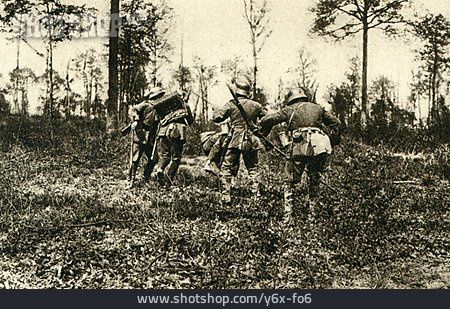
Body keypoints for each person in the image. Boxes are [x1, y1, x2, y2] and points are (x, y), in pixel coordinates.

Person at [260, 88, 340, 224]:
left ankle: (288, 217)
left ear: (292, 100)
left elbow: (270, 119)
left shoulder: (290, 109)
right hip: (318, 147)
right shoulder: (318, 108)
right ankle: (312, 216)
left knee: (289, 181)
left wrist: (260, 124)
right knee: (314, 179)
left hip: (299, 147)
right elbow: (336, 123)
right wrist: (332, 140)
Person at [212, 77, 267, 204]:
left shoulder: (231, 104)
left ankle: (226, 197)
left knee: (226, 168)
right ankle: (256, 197)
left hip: (235, 140)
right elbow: (268, 118)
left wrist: (216, 110)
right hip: (250, 140)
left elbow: (217, 118)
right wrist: (258, 129)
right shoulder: (256, 105)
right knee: (253, 168)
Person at [126, 87, 166, 189]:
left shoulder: (160, 108)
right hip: (140, 136)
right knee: (135, 159)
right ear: (155, 96)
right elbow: (132, 110)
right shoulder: (145, 104)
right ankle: (130, 180)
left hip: (150, 138)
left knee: (153, 159)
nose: (162, 98)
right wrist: (136, 120)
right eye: (160, 96)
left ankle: (145, 177)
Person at [153, 93, 194, 187]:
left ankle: (160, 169)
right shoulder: (184, 106)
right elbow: (190, 121)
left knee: (165, 155)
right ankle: (168, 182)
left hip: (163, 132)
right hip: (176, 132)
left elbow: (157, 120)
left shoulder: (163, 107)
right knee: (176, 158)